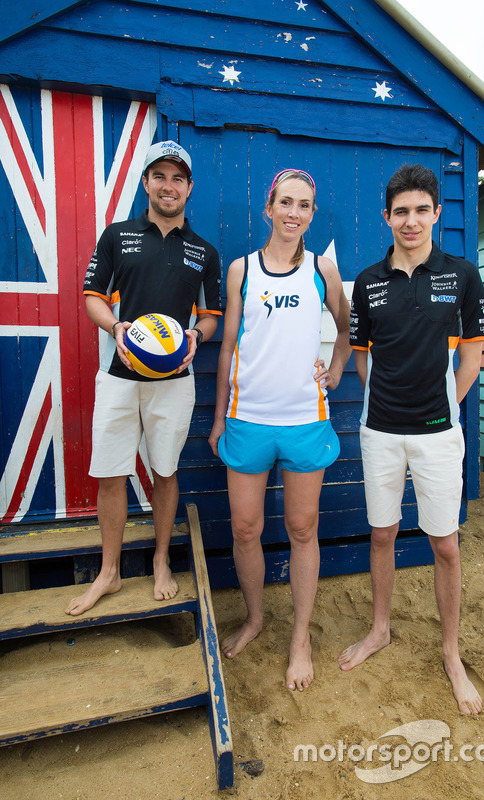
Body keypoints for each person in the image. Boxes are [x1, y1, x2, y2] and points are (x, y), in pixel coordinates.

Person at [339, 163, 484, 715]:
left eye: (422, 209)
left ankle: (451, 652)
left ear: (437, 214)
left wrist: (445, 400)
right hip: (380, 432)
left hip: (438, 435)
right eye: (401, 211)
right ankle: (380, 629)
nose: (411, 220)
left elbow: (472, 350)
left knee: (444, 545)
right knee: (383, 535)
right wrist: (388, 399)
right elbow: (361, 356)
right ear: (387, 217)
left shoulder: (462, 275)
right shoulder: (369, 282)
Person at [209, 169, 351, 691]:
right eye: (286, 202)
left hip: (304, 421)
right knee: (245, 529)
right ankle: (255, 618)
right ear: (268, 208)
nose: (294, 213)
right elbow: (226, 347)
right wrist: (221, 417)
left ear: (312, 215)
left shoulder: (323, 269)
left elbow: (346, 327)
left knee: (301, 530)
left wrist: (335, 370)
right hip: (248, 420)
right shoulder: (241, 270)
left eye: (305, 205)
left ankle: (300, 639)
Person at [66, 140, 222, 616]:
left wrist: (195, 335)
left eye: (178, 178)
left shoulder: (204, 250)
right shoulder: (117, 236)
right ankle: (109, 573)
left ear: (189, 187)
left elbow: (212, 314)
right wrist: (116, 328)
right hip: (119, 376)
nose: (168, 186)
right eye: (160, 176)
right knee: (111, 474)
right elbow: (93, 295)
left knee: (165, 472)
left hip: (175, 379)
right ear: (146, 183)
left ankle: (159, 561)